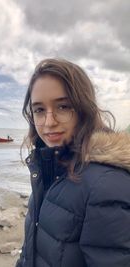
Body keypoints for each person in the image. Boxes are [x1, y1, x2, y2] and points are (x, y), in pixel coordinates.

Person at [16, 58, 130, 267]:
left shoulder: (107, 186)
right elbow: (30, 253)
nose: (49, 122)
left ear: (84, 108)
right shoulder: (49, 171)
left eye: (63, 106)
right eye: (39, 110)